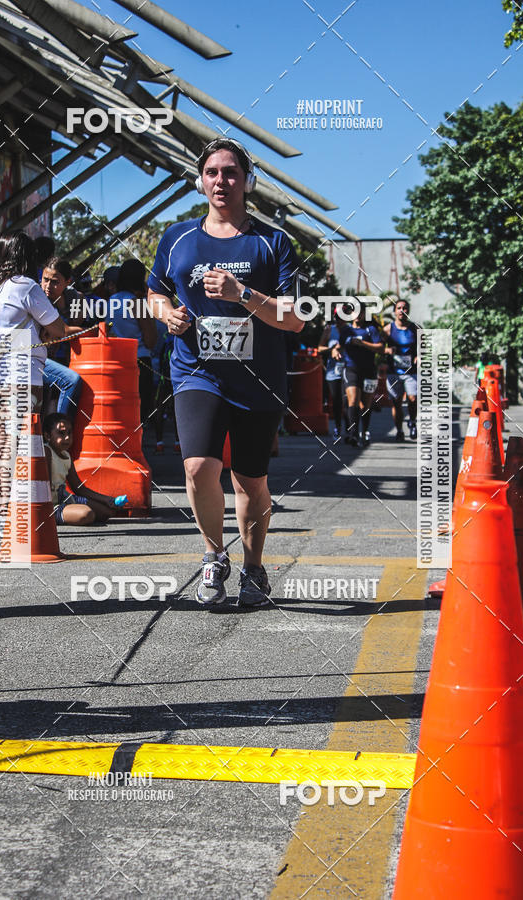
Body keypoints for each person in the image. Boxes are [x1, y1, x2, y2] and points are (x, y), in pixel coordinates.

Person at [147, 137, 304, 608]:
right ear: (200, 181)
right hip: (197, 371)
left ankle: (254, 569)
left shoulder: (273, 242)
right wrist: (165, 314)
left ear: (247, 181)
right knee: (197, 467)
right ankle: (214, 556)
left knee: (249, 480)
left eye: (231, 172)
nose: (221, 181)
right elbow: (154, 292)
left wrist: (243, 294)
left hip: (257, 378)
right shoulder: (176, 238)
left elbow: (293, 319)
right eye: (213, 172)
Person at [0, 231, 66, 497]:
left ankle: (3, 510)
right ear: (27, 256)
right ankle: (19, 511)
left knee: (1, 442)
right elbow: (59, 328)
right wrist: (45, 329)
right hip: (20, 379)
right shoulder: (25, 285)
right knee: (20, 444)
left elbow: (13, 331)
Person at [43, 413, 119, 524]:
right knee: (86, 514)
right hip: (51, 506)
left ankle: (69, 511)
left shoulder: (66, 456)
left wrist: (107, 499)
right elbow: (45, 488)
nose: (67, 437)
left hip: (64, 499)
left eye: (69, 432)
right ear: (47, 436)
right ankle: (53, 517)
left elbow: (79, 488)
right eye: (61, 433)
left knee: (107, 512)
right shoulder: (47, 451)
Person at [108, 259, 157, 425]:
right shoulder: (138, 304)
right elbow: (151, 340)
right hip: (140, 362)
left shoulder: (110, 301)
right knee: (139, 413)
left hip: (116, 362)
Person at [40, 257, 83, 420]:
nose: (48, 286)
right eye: (45, 280)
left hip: (65, 358)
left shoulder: (74, 297)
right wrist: (85, 330)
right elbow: (63, 331)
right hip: (40, 359)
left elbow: (76, 322)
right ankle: (58, 429)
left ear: (68, 281)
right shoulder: (37, 296)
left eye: (55, 282)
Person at [339, 301, 384, 446]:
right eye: (355, 312)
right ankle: (353, 434)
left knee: (366, 405)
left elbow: (381, 348)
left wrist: (363, 344)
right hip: (351, 369)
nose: (358, 315)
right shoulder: (346, 330)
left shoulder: (371, 330)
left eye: (361, 312)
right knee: (352, 401)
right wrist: (334, 351)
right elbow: (339, 346)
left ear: (364, 314)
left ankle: (364, 431)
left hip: (369, 370)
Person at [384, 299, 418, 441]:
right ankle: (399, 430)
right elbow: (378, 347)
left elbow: (425, 346)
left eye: (404, 308)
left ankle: (412, 421)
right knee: (396, 402)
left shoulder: (416, 328)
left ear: (408, 311)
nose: (401, 310)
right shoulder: (388, 329)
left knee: (413, 398)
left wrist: (419, 356)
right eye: (399, 308)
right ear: (394, 311)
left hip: (411, 372)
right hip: (393, 372)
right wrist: (387, 350)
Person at [318, 307, 346, 441]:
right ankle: (338, 428)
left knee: (348, 400)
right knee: (337, 400)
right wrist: (332, 350)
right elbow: (320, 348)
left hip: (349, 369)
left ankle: (351, 428)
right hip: (333, 371)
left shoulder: (351, 329)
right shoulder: (329, 330)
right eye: (338, 316)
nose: (341, 319)